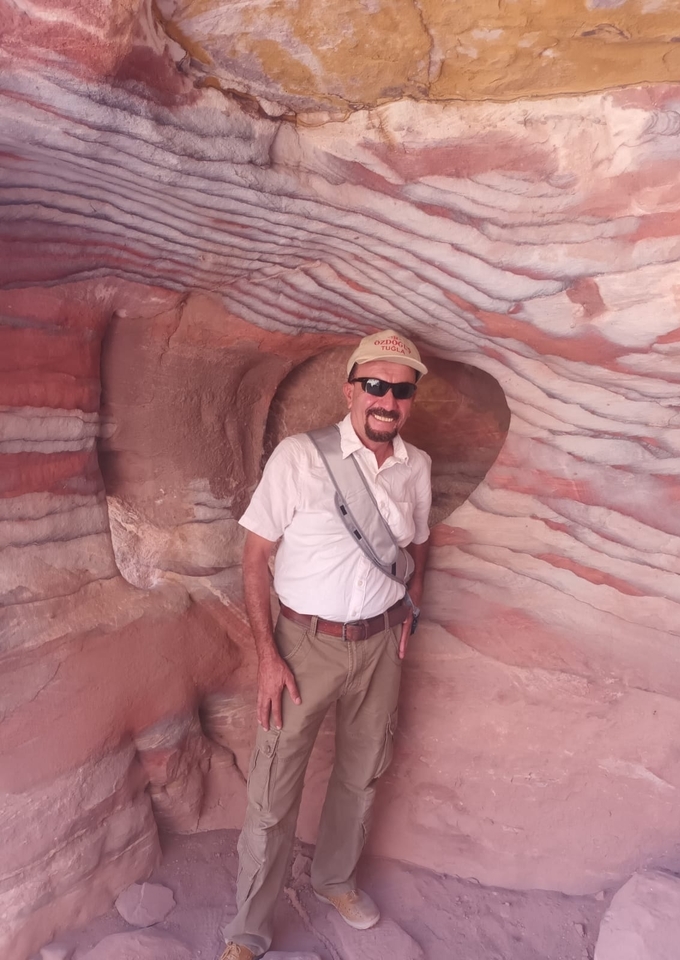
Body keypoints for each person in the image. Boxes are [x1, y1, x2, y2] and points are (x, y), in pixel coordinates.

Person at [220, 329, 432, 960]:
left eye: (400, 389)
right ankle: (249, 931)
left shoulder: (415, 466)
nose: (386, 400)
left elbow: (417, 546)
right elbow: (256, 556)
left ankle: (334, 879)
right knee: (273, 791)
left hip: (378, 644)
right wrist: (267, 655)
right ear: (350, 390)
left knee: (362, 774)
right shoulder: (300, 457)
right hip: (302, 646)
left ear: (410, 400)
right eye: (375, 386)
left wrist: (408, 617)